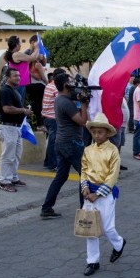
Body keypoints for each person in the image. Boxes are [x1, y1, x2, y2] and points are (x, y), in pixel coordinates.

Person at [81, 113, 126, 276]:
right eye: (94, 132)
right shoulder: (87, 150)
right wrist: (85, 187)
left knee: (107, 227)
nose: (97, 135)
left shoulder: (113, 150)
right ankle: (92, 261)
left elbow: (113, 175)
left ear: (107, 133)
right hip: (89, 193)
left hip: (105, 193)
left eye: (100, 132)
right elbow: (84, 170)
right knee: (90, 227)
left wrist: (98, 194)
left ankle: (119, 243)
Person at [40, 73, 89, 219]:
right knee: (85, 174)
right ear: (65, 85)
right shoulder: (65, 102)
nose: (73, 82)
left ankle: (47, 208)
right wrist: (84, 105)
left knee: (61, 176)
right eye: (70, 80)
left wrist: (81, 100)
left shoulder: (63, 99)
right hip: (71, 143)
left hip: (63, 142)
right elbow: (82, 121)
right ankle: (84, 209)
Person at [0, 68, 33, 192]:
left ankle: (12, 178)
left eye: (18, 75)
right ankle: (3, 181)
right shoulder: (5, 91)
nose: (18, 77)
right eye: (15, 76)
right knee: (8, 156)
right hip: (8, 127)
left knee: (16, 155)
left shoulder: (13, 91)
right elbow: (7, 109)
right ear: (8, 77)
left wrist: (24, 111)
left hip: (15, 128)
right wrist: (23, 110)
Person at [41, 68, 66, 171]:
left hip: (46, 116)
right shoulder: (56, 87)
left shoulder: (49, 84)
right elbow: (62, 100)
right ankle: (52, 164)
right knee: (54, 142)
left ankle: (47, 162)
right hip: (52, 117)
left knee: (51, 141)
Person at [4, 35, 39, 104]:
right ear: (16, 45)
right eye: (20, 43)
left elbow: (29, 59)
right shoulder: (16, 54)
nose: (21, 45)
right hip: (19, 84)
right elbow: (33, 58)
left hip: (20, 83)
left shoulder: (15, 54)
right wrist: (37, 47)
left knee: (19, 103)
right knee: (19, 104)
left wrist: (34, 49)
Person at [109, 97, 130, 170]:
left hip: (123, 124)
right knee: (115, 145)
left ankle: (117, 163)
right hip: (117, 123)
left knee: (120, 144)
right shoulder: (114, 95)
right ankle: (113, 165)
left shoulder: (121, 95)